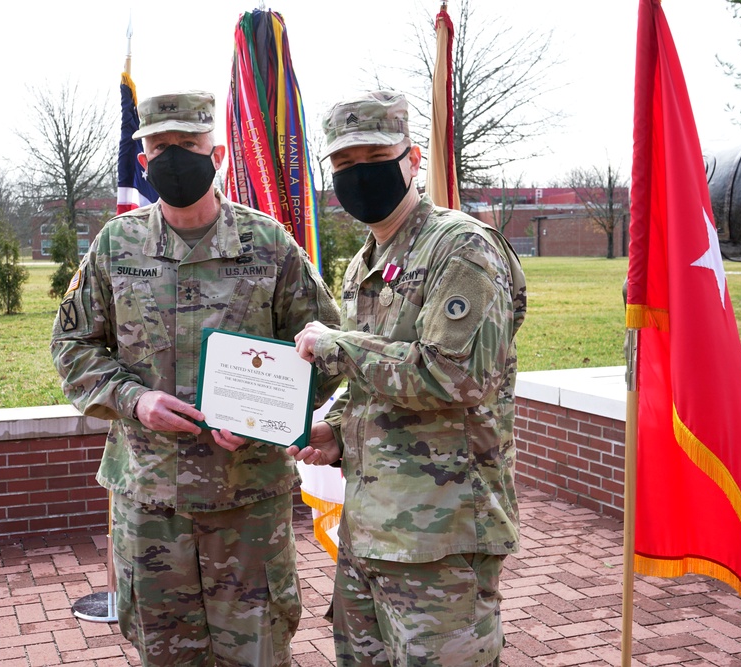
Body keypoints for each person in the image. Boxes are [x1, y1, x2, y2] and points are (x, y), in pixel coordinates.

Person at [51, 90, 341, 667]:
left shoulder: (268, 245)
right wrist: (134, 401)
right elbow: (72, 346)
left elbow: (327, 350)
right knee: (165, 654)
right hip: (152, 501)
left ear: (220, 153)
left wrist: (267, 421)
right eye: (161, 147)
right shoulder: (116, 245)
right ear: (143, 161)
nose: (175, 158)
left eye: (188, 145)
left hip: (248, 503)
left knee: (258, 652)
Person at [290, 90, 527, 667]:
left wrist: (337, 346)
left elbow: (455, 377)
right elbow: (378, 381)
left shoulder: (462, 247)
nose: (358, 174)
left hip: (440, 536)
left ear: (413, 157)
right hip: (370, 527)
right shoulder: (364, 260)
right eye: (343, 164)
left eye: (374, 156)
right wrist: (338, 428)